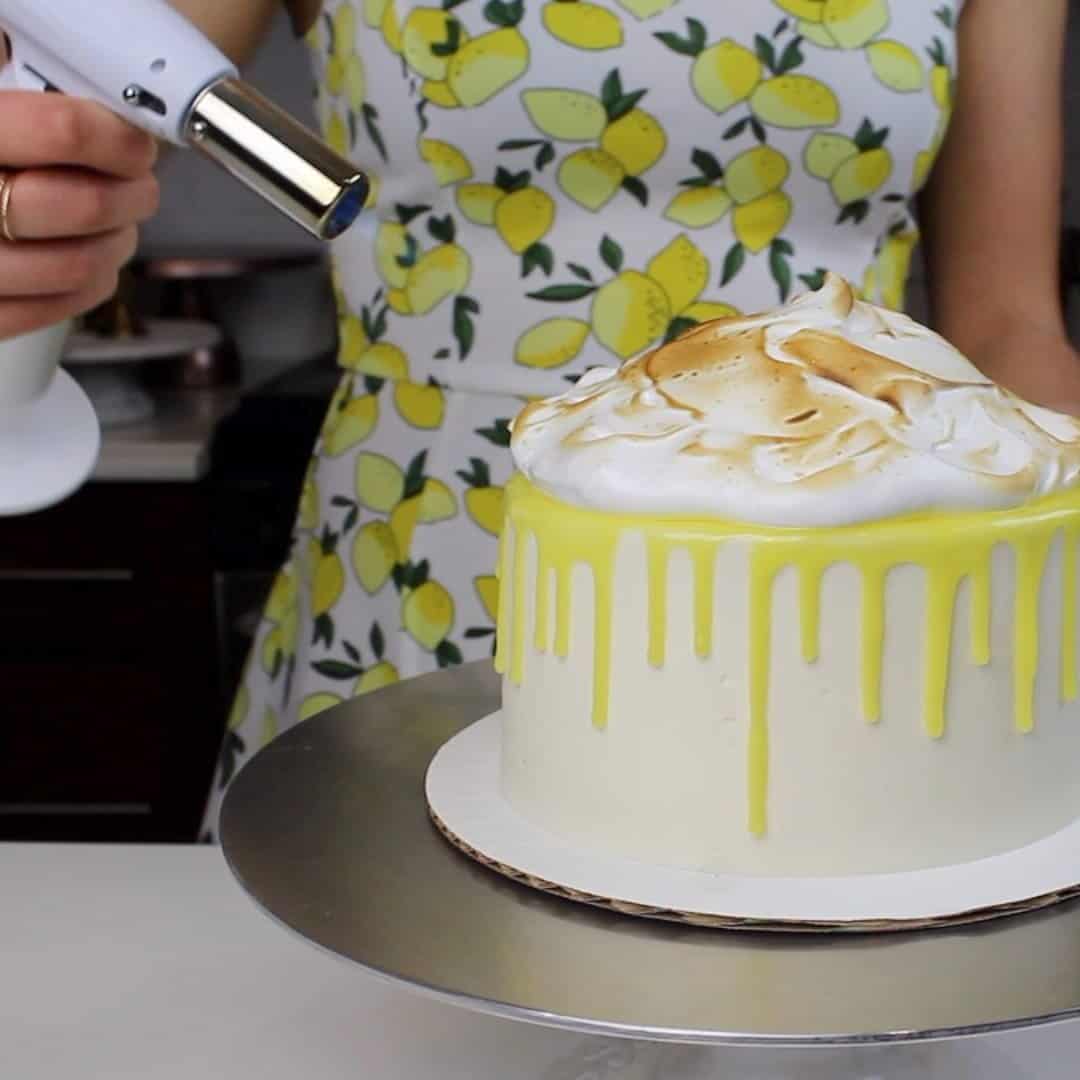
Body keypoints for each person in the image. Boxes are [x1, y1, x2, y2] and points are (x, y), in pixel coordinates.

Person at [1, 0, 1076, 836]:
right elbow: (90, 76)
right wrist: (34, 188)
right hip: (422, 569)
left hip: (843, 595)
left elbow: (1010, 323)